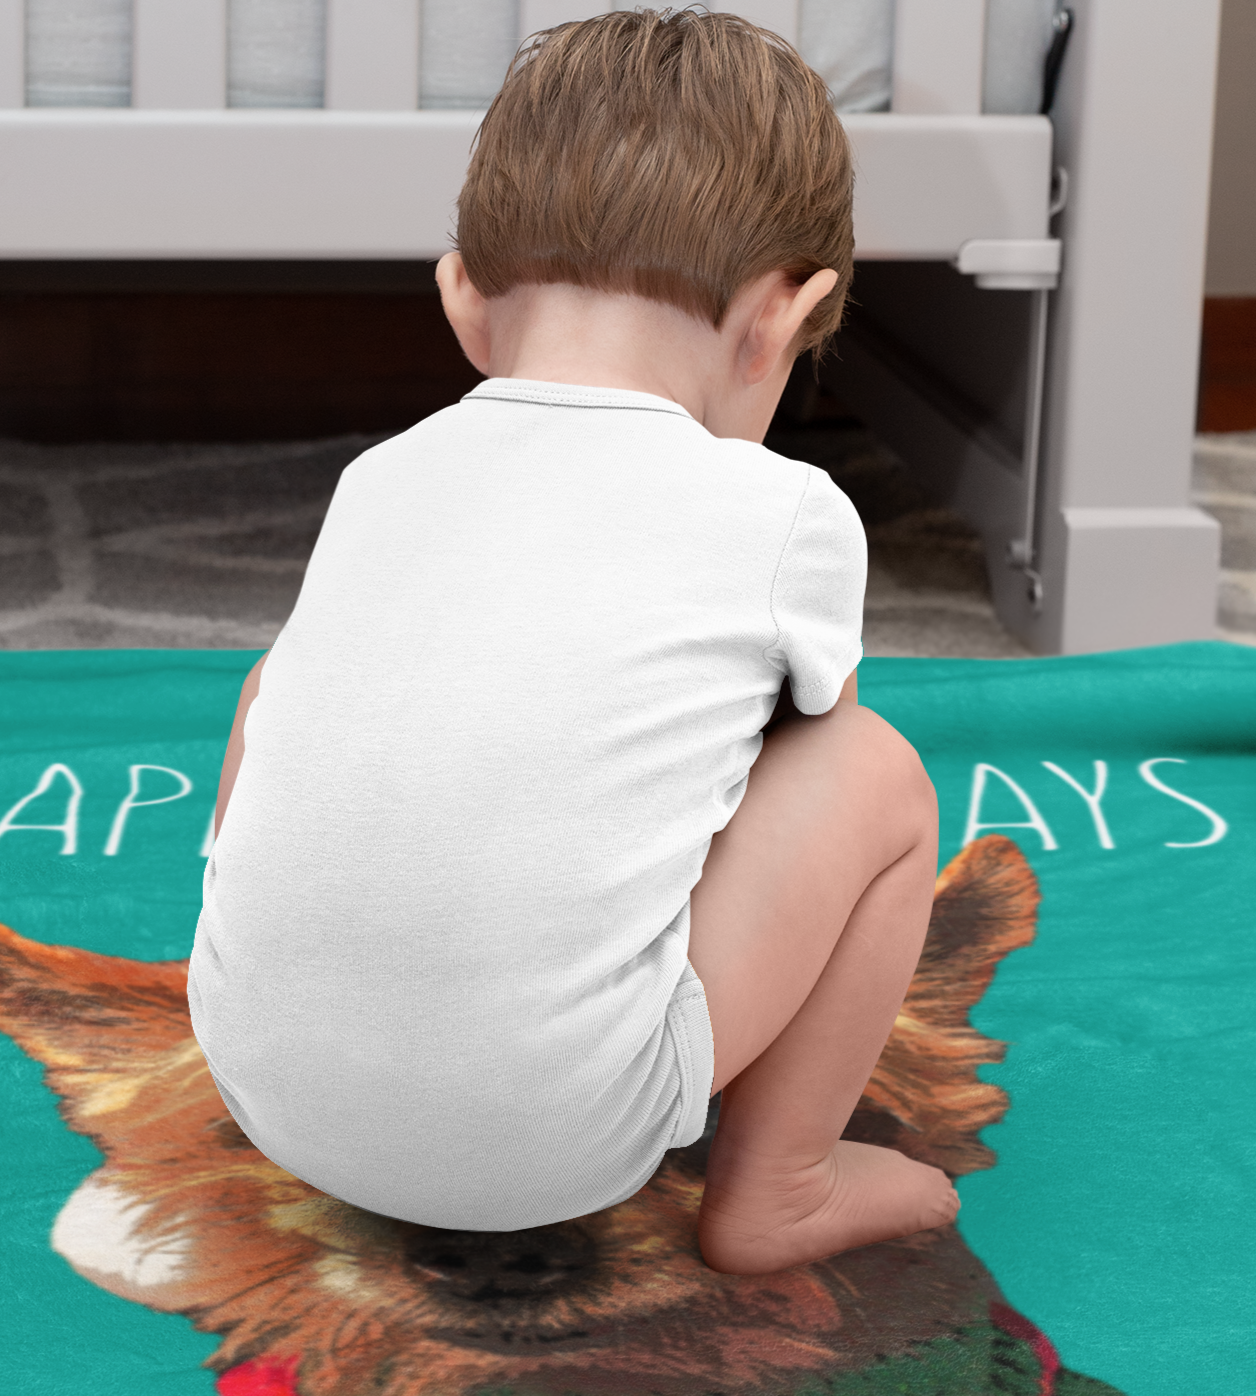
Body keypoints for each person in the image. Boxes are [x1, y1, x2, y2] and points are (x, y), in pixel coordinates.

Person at [187, 8, 953, 1276]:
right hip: (560, 1136)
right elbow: (786, 790)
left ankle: (311, 1009)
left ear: (464, 302)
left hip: (273, 1098)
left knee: (282, 680)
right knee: (867, 768)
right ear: (786, 317)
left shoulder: (380, 479)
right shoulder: (784, 513)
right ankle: (783, 1184)